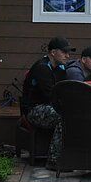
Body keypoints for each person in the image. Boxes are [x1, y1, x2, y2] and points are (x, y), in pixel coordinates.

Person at [21, 36, 74, 168]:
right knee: (64, 117)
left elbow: (65, 92)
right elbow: (51, 96)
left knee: (73, 115)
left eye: (69, 52)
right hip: (34, 110)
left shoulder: (61, 68)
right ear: (53, 52)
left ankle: (74, 156)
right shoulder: (42, 68)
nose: (68, 55)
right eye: (64, 52)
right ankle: (54, 160)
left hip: (51, 106)